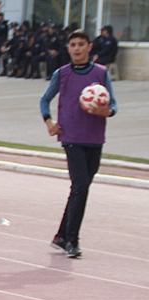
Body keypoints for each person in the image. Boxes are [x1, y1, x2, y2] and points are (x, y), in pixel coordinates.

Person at [40, 29, 117, 259]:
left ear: (89, 47)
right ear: (68, 48)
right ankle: (72, 240)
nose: (76, 48)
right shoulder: (62, 74)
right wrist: (49, 121)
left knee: (80, 189)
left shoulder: (101, 73)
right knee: (81, 185)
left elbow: (114, 105)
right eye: (72, 44)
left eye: (81, 44)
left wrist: (106, 110)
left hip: (94, 138)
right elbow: (45, 99)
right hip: (71, 137)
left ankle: (61, 235)